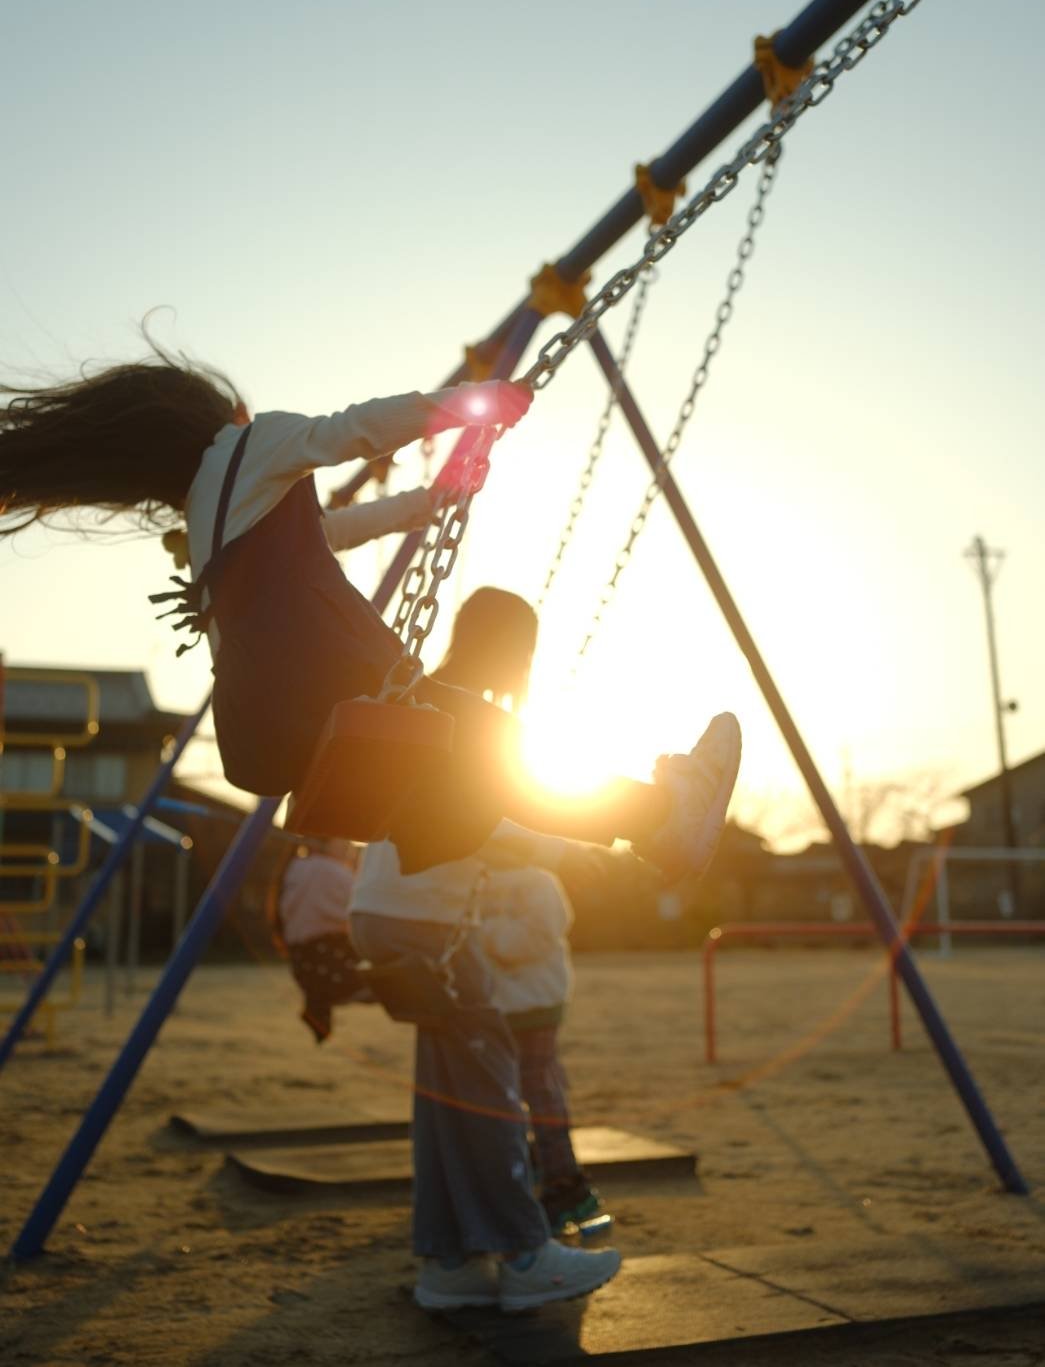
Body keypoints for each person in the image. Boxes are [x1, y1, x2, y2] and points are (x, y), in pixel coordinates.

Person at [0, 340, 742, 882]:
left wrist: (433, 500)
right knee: (493, 745)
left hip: (265, 734)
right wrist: (467, 406)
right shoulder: (247, 443)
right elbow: (348, 428)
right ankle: (660, 819)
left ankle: (577, 822)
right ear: (218, 412)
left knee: (475, 761)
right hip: (333, 685)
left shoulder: (208, 521)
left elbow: (335, 534)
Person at [349, 587, 739, 1312]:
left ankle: (451, 1263)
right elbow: (500, 817)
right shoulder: (466, 715)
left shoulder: (426, 698)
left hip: (381, 911)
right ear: (515, 650)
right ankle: (525, 1254)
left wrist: (562, 852)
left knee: (446, 1095)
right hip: (424, 922)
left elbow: (474, 825)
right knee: (491, 1087)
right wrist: (582, 844)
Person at [478, 858, 605, 1237]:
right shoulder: (485, 878)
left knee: (539, 1091)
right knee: (512, 1094)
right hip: (500, 1005)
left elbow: (530, 939)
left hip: (533, 1005)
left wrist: (488, 933)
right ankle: (535, 1171)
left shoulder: (537, 882)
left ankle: (564, 1182)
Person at [268, 838, 372, 1043]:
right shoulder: (334, 872)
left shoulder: (294, 868)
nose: (349, 847)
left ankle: (317, 1007)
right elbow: (364, 908)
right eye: (344, 842)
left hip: (303, 967)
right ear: (326, 843)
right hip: (333, 966)